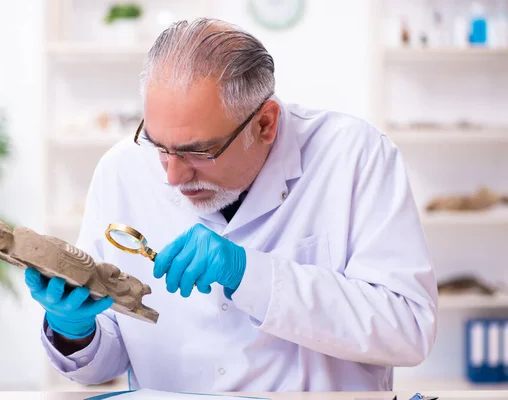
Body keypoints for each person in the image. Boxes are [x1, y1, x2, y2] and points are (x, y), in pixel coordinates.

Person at [25, 17, 438, 392]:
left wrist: (251, 275)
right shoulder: (121, 171)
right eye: (158, 146)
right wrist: (74, 330)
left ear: (265, 124)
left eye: (198, 152)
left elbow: (410, 330)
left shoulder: (355, 157)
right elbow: (106, 361)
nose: (172, 176)